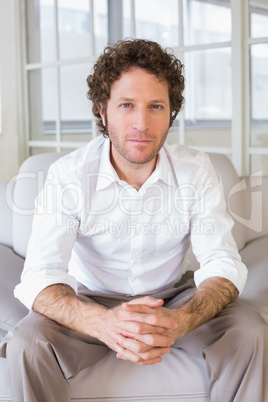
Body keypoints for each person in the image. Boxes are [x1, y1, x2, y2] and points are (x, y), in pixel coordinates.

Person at [0, 38, 267, 402]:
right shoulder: (68, 175)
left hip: (172, 297)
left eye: (155, 106)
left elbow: (221, 261)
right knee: (27, 344)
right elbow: (40, 275)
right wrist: (103, 323)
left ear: (171, 112)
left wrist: (180, 321)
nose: (141, 123)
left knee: (249, 330)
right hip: (89, 298)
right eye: (127, 105)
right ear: (102, 110)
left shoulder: (196, 170)